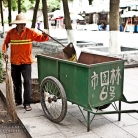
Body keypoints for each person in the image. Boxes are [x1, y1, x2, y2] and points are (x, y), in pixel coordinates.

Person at [2, 13, 49, 111]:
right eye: (20, 24)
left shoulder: (30, 32)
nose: (23, 25)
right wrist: (4, 52)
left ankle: (27, 103)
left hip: (26, 62)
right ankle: (18, 100)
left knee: (27, 82)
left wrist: (45, 34)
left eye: (24, 23)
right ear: (16, 24)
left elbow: (41, 38)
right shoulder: (11, 33)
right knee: (16, 82)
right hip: (15, 62)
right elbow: (5, 44)